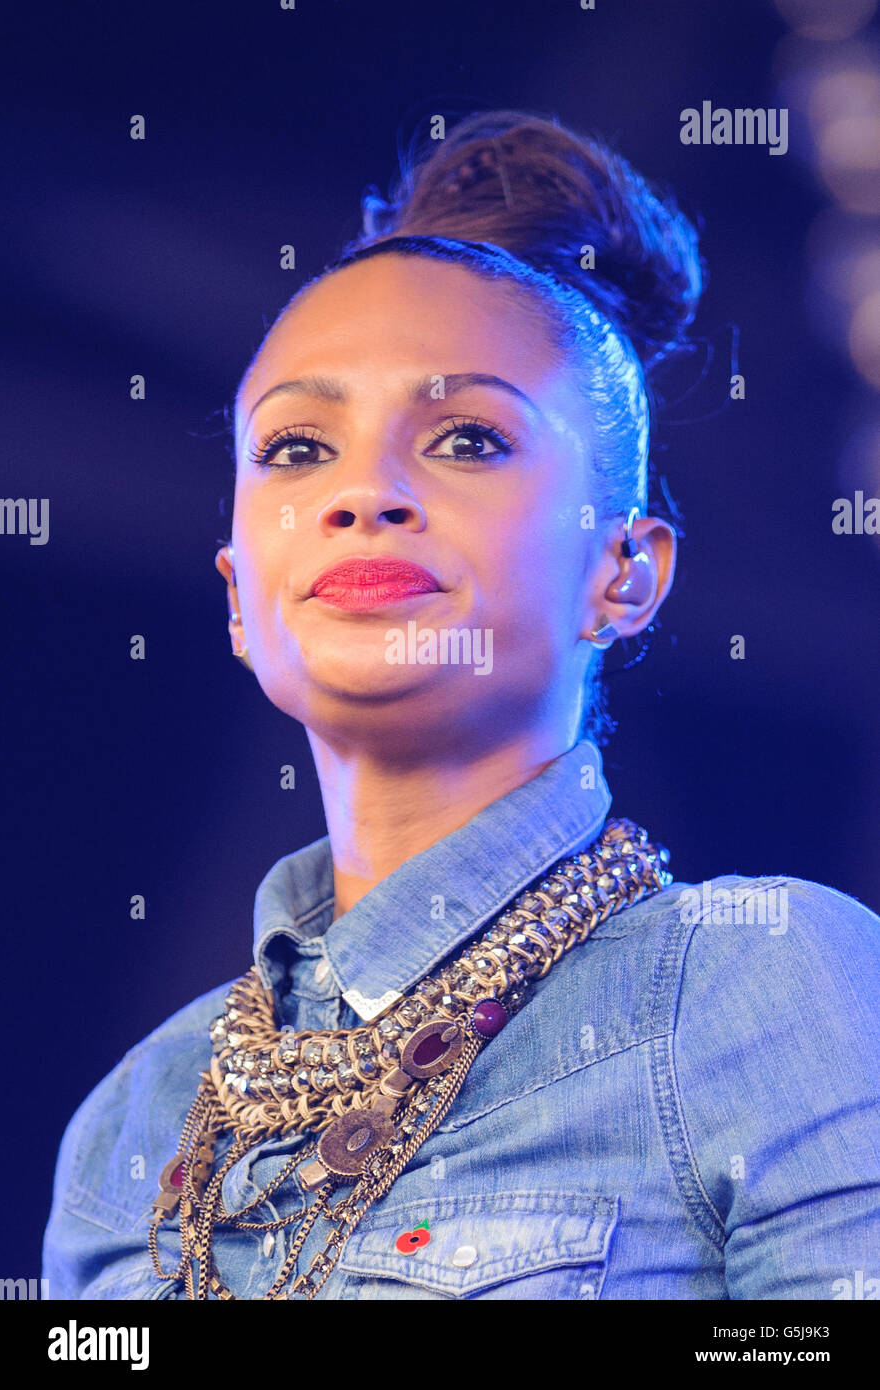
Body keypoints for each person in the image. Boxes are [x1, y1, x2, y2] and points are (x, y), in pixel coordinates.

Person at [43, 109, 880, 1301]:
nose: (365, 491)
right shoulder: (128, 1131)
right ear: (237, 595)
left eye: (468, 436)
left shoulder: (765, 989)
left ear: (625, 571)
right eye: (295, 450)